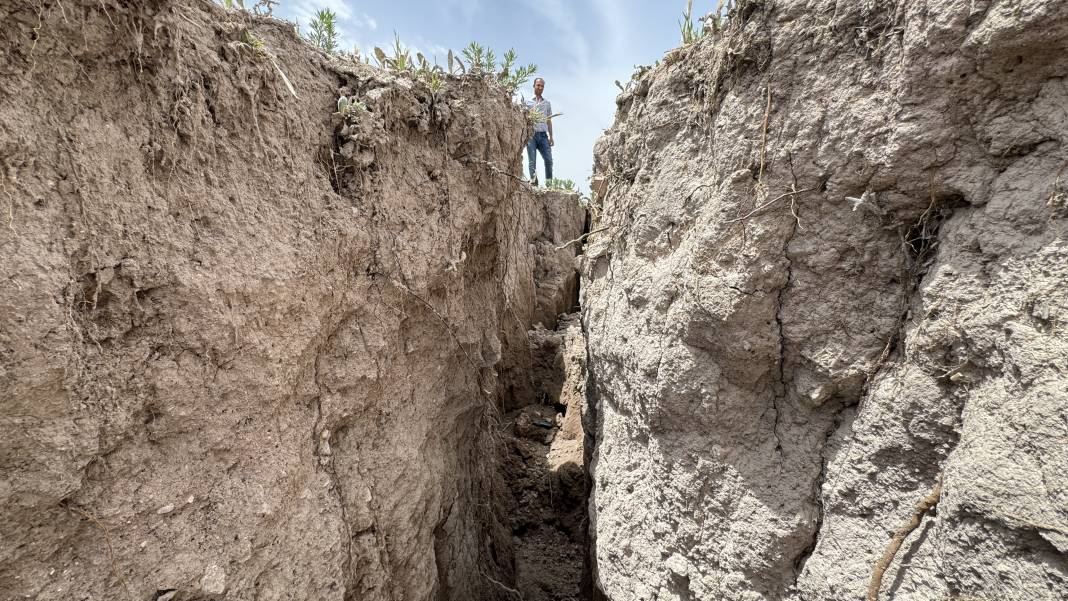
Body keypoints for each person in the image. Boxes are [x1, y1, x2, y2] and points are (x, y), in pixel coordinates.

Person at [526, 78, 553, 186]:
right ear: (534, 86)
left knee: (549, 160)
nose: (540, 87)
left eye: (542, 86)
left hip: (543, 136)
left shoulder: (547, 103)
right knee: (532, 161)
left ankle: (549, 184)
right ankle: (534, 183)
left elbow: (549, 120)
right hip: (531, 135)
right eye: (538, 85)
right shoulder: (527, 103)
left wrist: (551, 137)